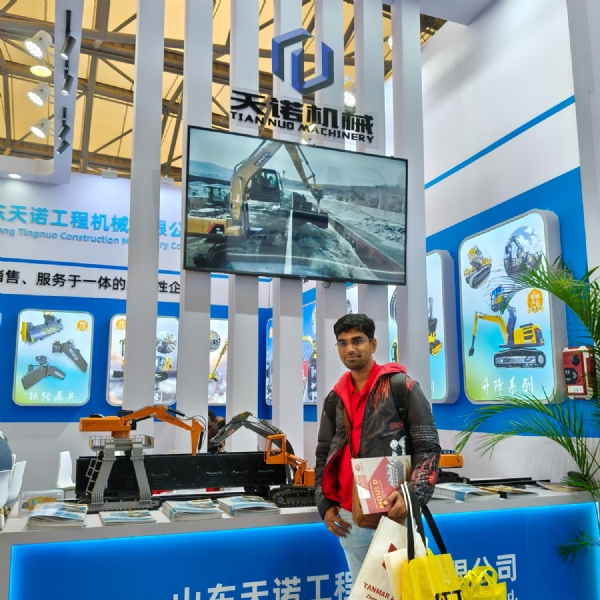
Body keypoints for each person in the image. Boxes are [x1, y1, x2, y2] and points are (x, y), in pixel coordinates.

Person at [314, 313, 441, 582]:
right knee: (365, 593)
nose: (350, 348)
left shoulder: (402, 387)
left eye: (357, 340)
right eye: (343, 343)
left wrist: (413, 496)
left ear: (373, 344)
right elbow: (324, 452)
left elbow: (428, 446)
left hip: (395, 511)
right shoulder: (335, 398)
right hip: (350, 516)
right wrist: (324, 503)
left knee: (406, 591)